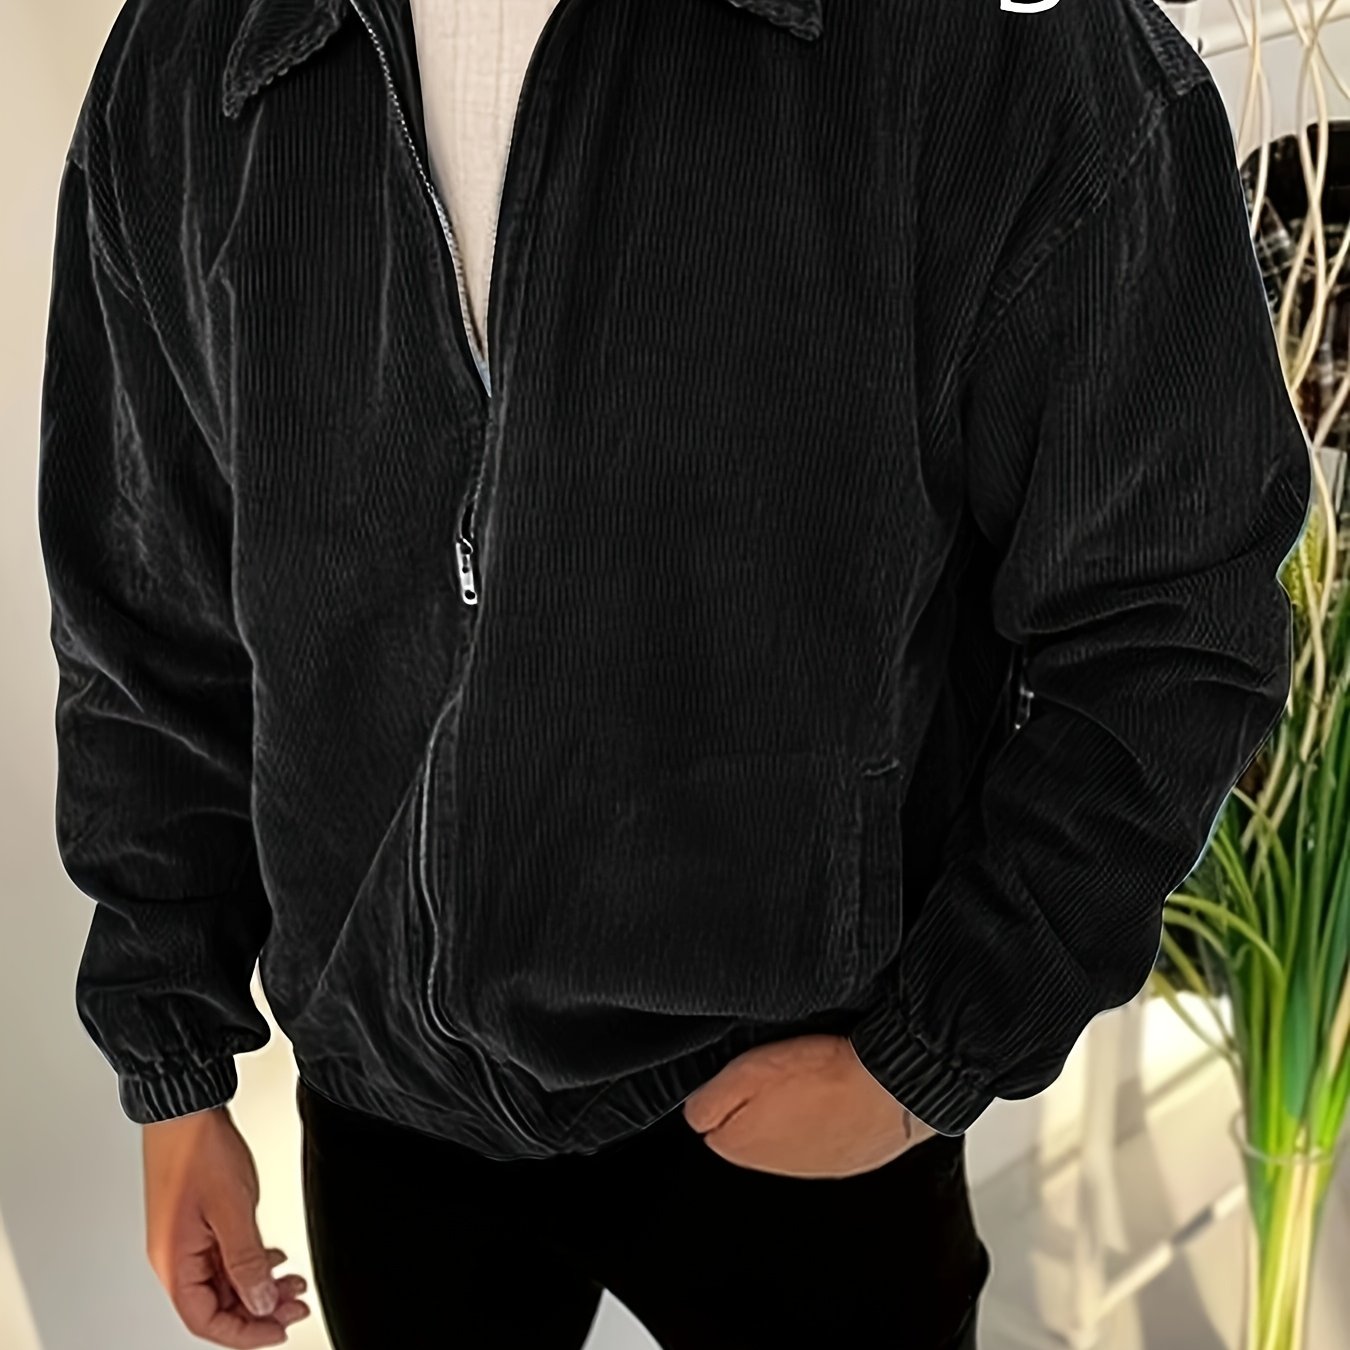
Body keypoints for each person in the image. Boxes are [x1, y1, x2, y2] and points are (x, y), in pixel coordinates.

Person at [35, 0, 1312, 1345]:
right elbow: (146, 605)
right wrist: (171, 1057)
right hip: (388, 1097)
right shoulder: (192, 54)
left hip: (810, 1086)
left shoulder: (985, 42)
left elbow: (1170, 609)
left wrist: (935, 1050)